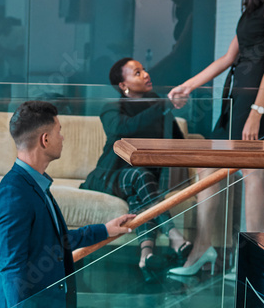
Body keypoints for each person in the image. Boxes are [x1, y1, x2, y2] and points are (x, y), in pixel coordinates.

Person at [0, 101, 134, 308]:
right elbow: (12, 270)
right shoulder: (13, 195)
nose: (62, 137)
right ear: (45, 140)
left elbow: (54, 240)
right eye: (59, 131)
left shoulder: (33, 185)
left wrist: (104, 230)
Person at [168, 0, 264, 276]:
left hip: (260, 100)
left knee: (252, 173)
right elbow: (227, 59)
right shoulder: (249, 9)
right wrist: (188, 86)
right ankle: (204, 247)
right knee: (209, 170)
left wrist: (257, 112)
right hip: (237, 98)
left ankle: (252, 257)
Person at [81, 58, 191, 280]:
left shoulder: (157, 105)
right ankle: (174, 235)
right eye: (137, 72)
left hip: (144, 180)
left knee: (139, 194)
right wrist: (163, 105)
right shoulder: (111, 108)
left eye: (144, 70)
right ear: (123, 85)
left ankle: (146, 255)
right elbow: (125, 127)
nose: (146, 74)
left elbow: (178, 139)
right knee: (141, 175)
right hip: (108, 176)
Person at [150, 0, 194, 91]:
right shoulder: (184, 14)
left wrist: (151, 73)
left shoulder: (194, 15)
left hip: (184, 69)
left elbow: (178, 51)